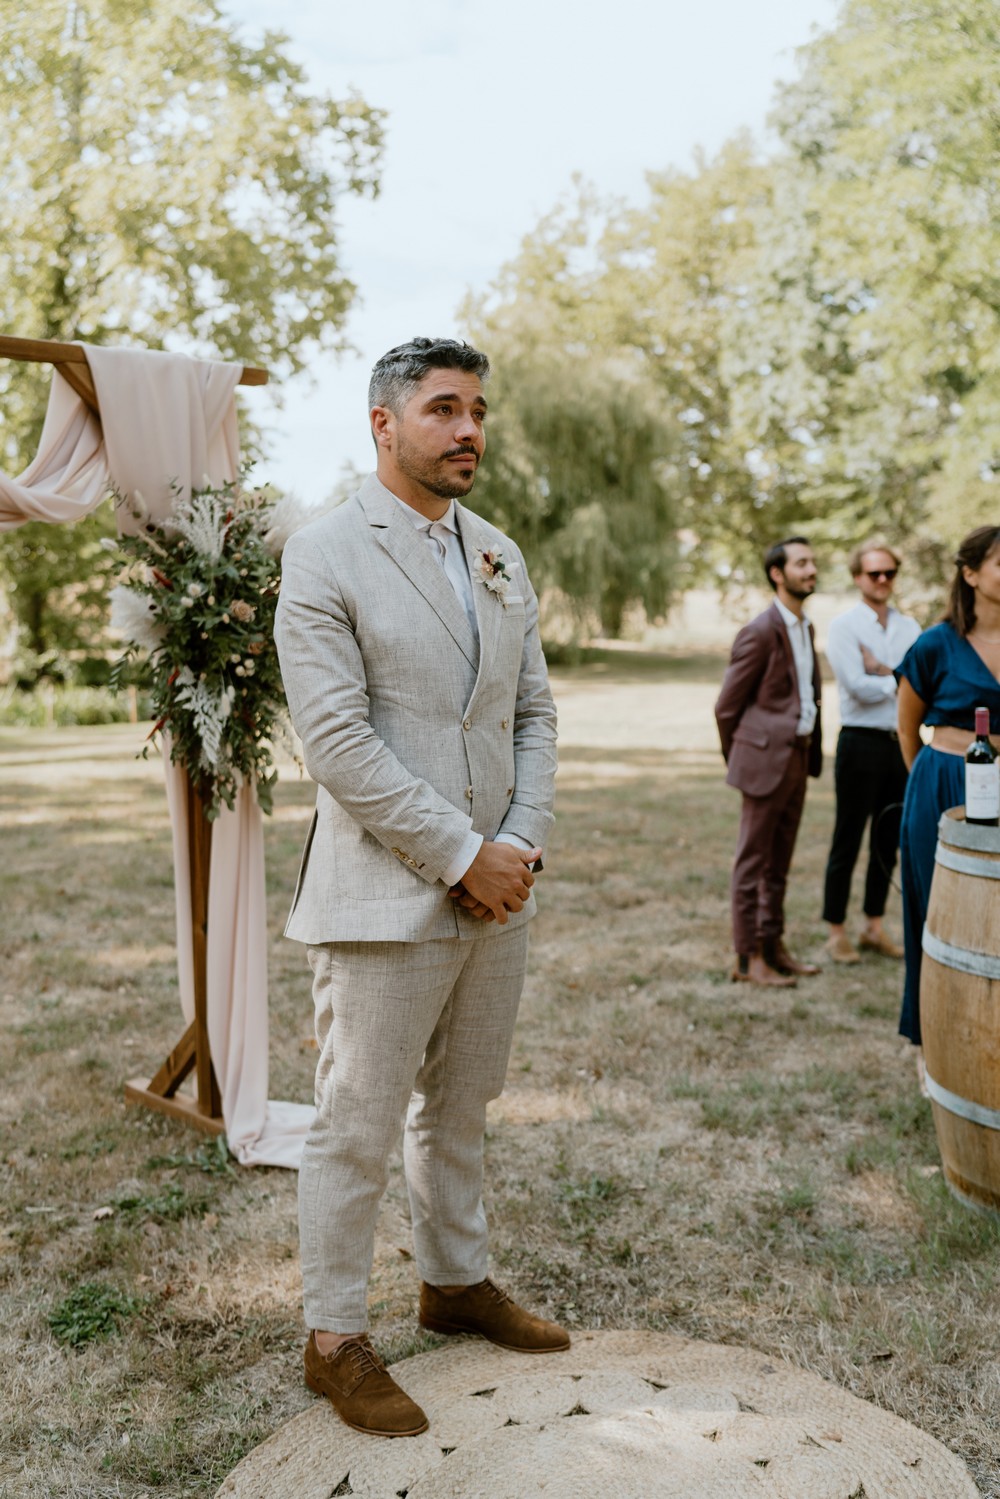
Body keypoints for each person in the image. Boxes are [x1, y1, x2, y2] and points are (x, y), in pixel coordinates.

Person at [274, 337, 565, 1440]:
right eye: (444, 408)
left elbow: (531, 711)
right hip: (383, 893)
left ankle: (455, 1281)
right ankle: (334, 1337)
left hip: (501, 888)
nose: (470, 429)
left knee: (462, 1104)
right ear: (383, 424)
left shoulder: (498, 551)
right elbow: (338, 739)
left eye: (478, 408)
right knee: (355, 1119)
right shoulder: (326, 552)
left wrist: (519, 841)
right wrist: (459, 851)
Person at [895, 524, 1000, 1050]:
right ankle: (929, 1039)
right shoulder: (936, 644)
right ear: (970, 574)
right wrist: (931, 779)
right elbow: (907, 725)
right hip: (944, 784)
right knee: (935, 910)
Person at [715, 537, 823, 987]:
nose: (811, 569)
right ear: (777, 573)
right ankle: (747, 958)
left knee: (779, 863)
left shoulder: (806, 626)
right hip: (765, 763)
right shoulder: (759, 631)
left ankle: (774, 946)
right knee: (752, 865)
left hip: (798, 758)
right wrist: (743, 759)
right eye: (802, 563)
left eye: (812, 562)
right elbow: (726, 707)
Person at [821, 541, 921, 963]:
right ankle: (835, 930)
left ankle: (873, 926)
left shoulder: (911, 627)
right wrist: (899, 680)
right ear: (857, 577)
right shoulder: (844, 627)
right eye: (874, 573)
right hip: (859, 742)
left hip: (900, 741)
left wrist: (882, 669)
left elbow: (924, 685)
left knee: (888, 838)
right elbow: (857, 689)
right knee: (848, 835)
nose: (882, 580)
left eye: (889, 572)